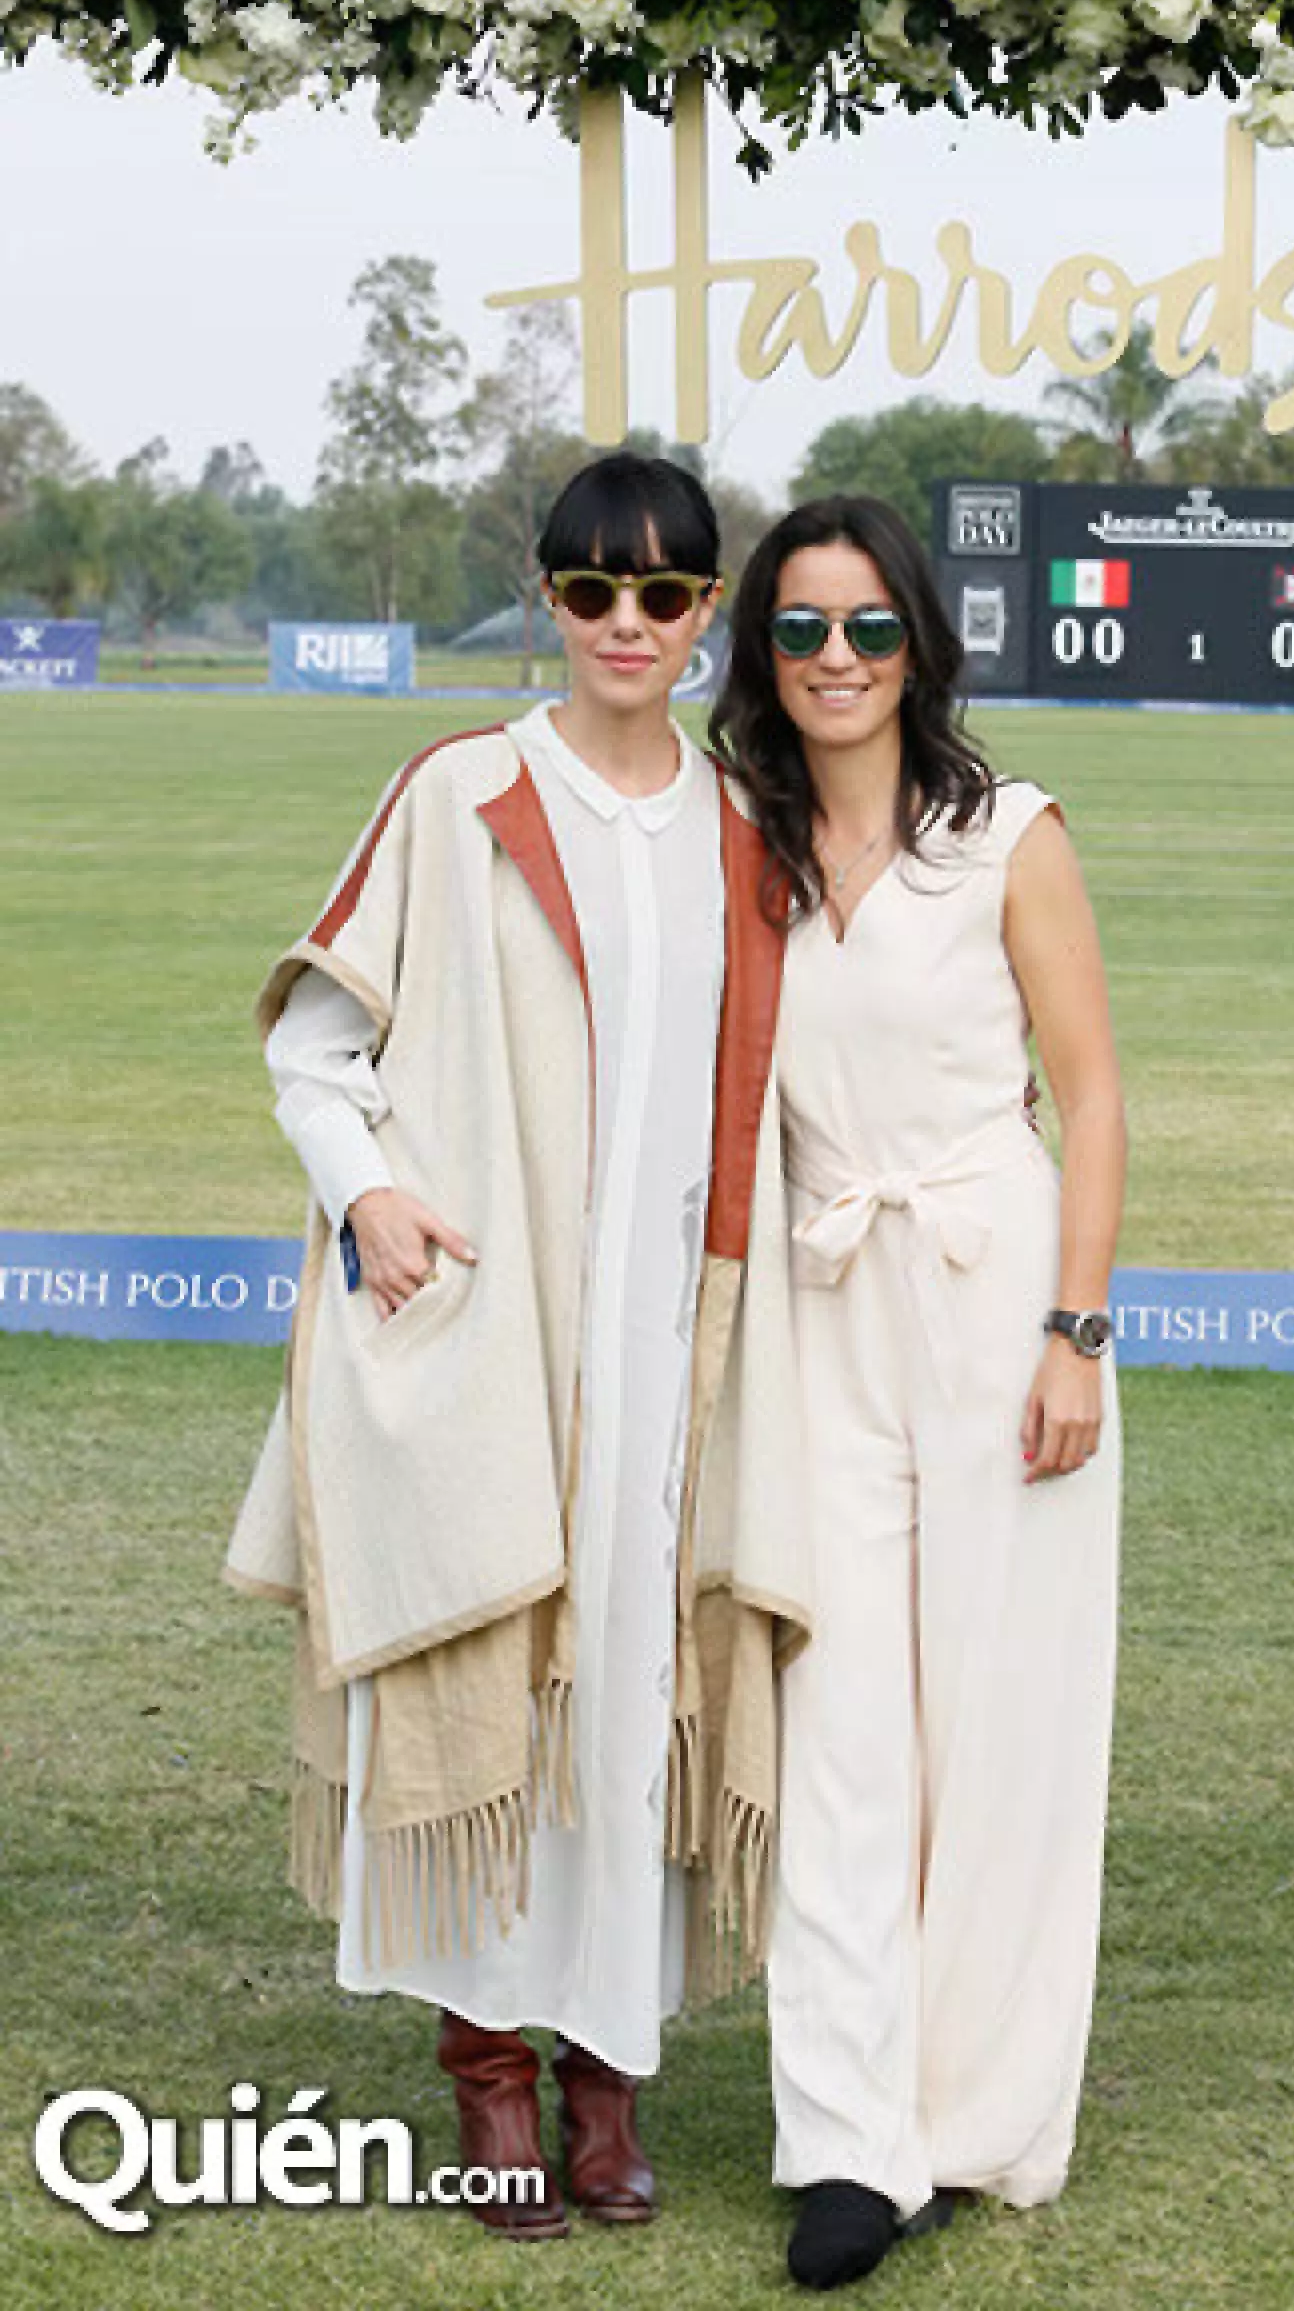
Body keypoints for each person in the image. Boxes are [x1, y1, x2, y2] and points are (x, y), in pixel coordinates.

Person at [225, 453, 811, 2241]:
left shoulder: (739, 832)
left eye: (662, 593)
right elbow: (318, 1047)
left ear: (708, 615)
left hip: (678, 1351)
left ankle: (609, 2082)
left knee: (637, 1693)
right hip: (491, 1322)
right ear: (546, 596)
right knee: (496, 1678)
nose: (624, 623)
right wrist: (370, 1195)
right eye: (588, 589)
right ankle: (490, 2076)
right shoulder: (462, 795)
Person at [710, 495, 1126, 2291]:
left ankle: (968, 2117)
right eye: (802, 632)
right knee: (843, 1733)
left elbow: (1093, 1096)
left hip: (992, 1292)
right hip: (821, 1311)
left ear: (920, 642)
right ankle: (849, 2145)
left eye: (869, 630)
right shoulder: (745, 845)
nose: (835, 664)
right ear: (764, 654)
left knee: (1000, 1719)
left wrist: (1075, 1332)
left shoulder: (1007, 834)